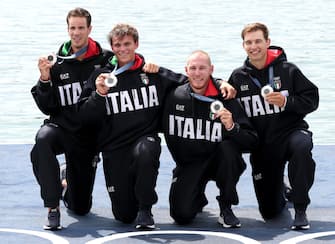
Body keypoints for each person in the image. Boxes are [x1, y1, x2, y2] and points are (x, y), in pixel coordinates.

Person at [77, 23, 194, 230]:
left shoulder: (151, 72)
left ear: (136, 44)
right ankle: (67, 181)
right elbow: (84, 117)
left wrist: (220, 83)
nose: (123, 49)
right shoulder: (101, 76)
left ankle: (146, 210)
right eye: (118, 45)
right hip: (114, 148)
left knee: (146, 151)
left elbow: (192, 83)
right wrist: (100, 94)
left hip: (144, 139)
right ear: (112, 47)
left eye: (127, 44)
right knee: (124, 216)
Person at [222, 22, 319, 230]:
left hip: (290, 134)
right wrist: (221, 82)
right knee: (270, 212)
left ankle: (301, 209)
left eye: (258, 41)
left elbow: (312, 100)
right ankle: (280, 188)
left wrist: (286, 102)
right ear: (243, 46)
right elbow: (220, 98)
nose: (253, 46)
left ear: (268, 42)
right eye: (249, 42)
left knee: (302, 146)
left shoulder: (288, 70)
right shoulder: (238, 76)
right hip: (262, 147)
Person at [30, 7, 114, 230]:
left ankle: (67, 181)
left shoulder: (106, 59)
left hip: (88, 138)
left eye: (81, 28)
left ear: (89, 29)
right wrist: (45, 79)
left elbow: (130, 61)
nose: (76, 33)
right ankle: (52, 207)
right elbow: (47, 107)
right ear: (67, 29)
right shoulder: (56, 63)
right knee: (42, 140)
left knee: (80, 207)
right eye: (72, 28)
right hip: (62, 128)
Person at [161, 50, 258, 228]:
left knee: (228, 150)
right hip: (189, 164)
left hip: (219, 160)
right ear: (186, 70)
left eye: (202, 68)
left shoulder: (226, 97)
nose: (197, 73)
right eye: (193, 68)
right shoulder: (174, 96)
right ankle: (197, 196)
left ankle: (226, 205)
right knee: (181, 216)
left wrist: (231, 127)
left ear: (211, 69)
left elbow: (251, 140)